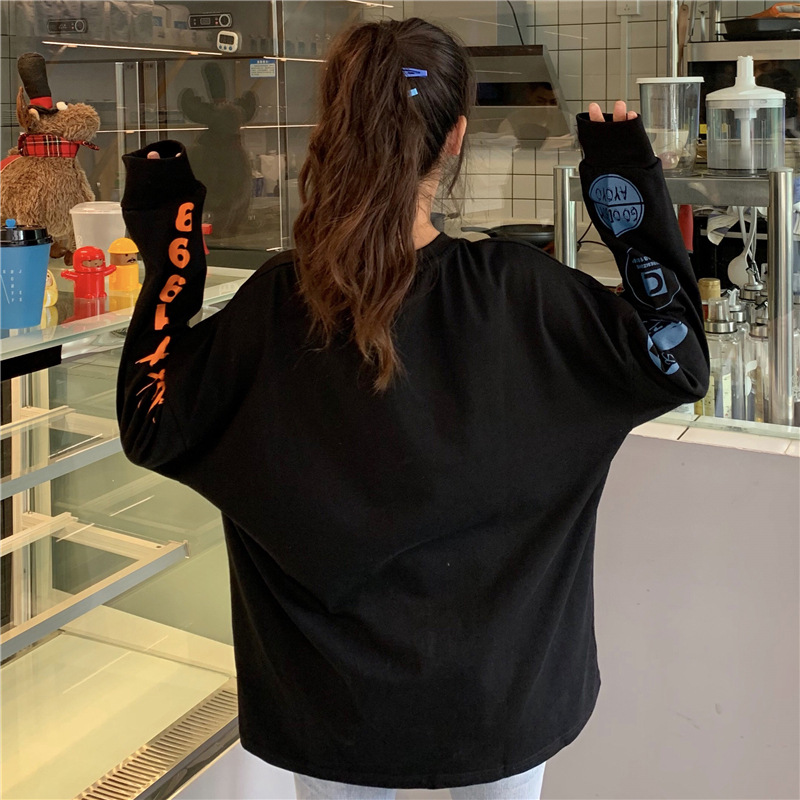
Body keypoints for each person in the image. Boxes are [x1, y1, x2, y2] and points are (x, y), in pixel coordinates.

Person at [117, 17, 709, 800]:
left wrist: (172, 253)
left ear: (334, 128)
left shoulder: (274, 307)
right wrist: (623, 185)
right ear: (454, 139)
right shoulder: (520, 295)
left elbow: (151, 416)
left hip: (331, 710)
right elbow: (676, 358)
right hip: (502, 699)